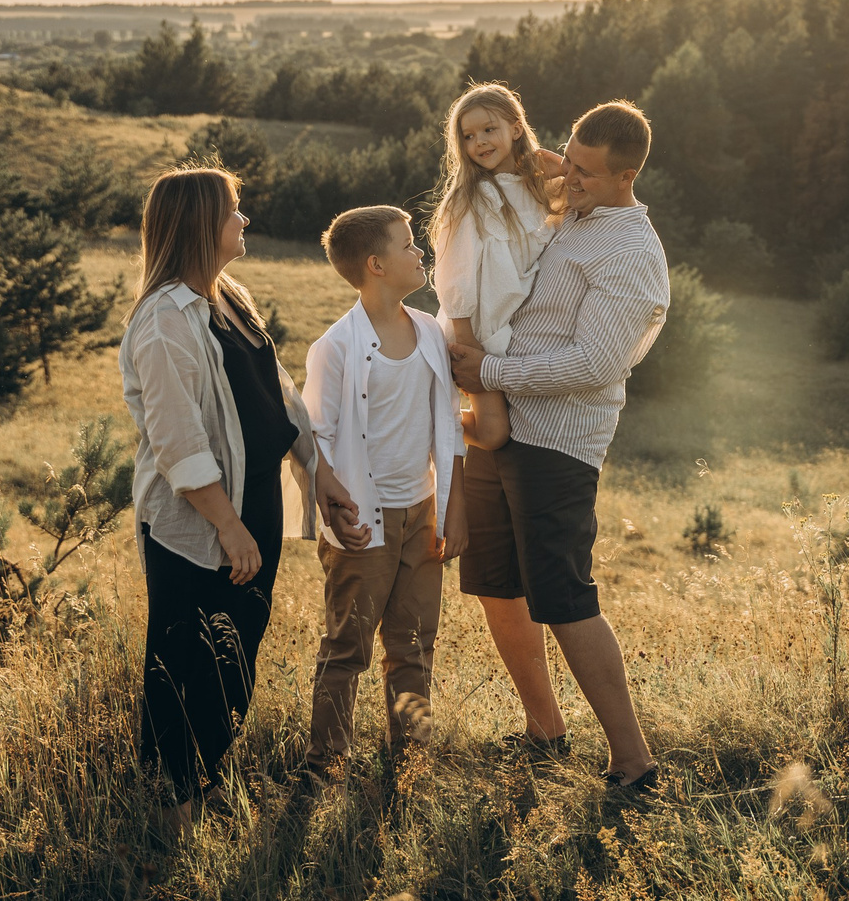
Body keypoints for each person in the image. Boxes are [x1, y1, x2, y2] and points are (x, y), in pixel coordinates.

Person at [119, 166, 366, 824]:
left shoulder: (228, 297)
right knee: (185, 653)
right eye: (235, 209)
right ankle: (180, 801)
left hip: (250, 502)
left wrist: (321, 472)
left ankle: (213, 777)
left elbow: (277, 394)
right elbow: (177, 442)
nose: (246, 219)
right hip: (197, 518)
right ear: (203, 222)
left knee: (236, 647)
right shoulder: (165, 322)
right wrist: (227, 527)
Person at [448, 99, 669, 792]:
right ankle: (544, 729)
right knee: (495, 582)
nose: (566, 177)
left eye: (585, 173)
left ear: (627, 175)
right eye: (567, 160)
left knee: (563, 594)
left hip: (556, 439)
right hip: (496, 422)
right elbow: (529, 172)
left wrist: (490, 372)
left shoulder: (630, 251)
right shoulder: (571, 201)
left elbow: (594, 363)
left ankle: (633, 760)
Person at [301, 205, 470, 770]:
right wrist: (332, 514)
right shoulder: (336, 348)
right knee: (348, 647)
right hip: (362, 523)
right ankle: (327, 763)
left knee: (415, 644)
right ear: (376, 264)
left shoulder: (429, 331)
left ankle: (412, 760)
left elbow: (448, 422)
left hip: (423, 513)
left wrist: (454, 505)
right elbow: (315, 442)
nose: (418, 252)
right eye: (407, 244)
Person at [426, 82, 562, 452]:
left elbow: (574, 183)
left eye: (490, 129)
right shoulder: (469, 198)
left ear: (516, 128)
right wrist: (468, 346)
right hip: (474, 334)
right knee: (493, 432)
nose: (480, 142)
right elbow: (453, 278)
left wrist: (549, 162)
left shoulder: (531, 190)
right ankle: (423, 415)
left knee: (514, 424)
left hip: (506, 337)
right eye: (468, 136)